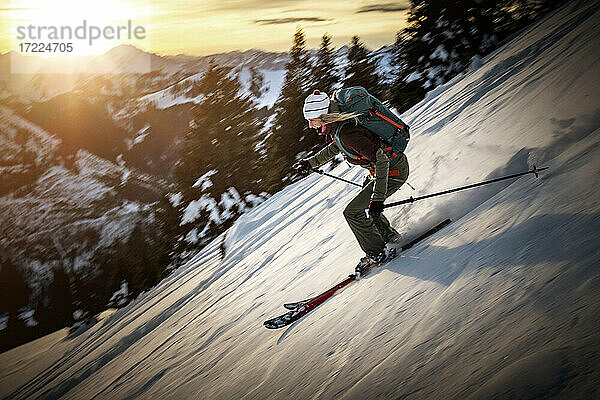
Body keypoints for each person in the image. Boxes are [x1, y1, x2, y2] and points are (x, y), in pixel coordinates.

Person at [294, 89, 409, 277]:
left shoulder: (346, 132)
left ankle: (377, 252)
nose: (309, 125)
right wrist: (310, 162)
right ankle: (389, 237)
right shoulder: (339, 128)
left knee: (353, 212)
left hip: (392, 172)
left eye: (311, 120)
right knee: (365, 206)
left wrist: (378, 199)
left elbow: (381, 161)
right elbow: (336, 147)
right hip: (382, 171)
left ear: (323, 116)